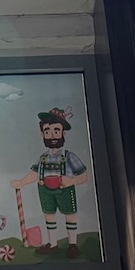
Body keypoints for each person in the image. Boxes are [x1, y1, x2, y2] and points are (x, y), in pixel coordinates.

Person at [11, 108, 88, 257]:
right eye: (47, 132)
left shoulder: (69, 156)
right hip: (45, 190)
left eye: (56, 131)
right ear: (42, 135)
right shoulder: (43, 158)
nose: (52, 135)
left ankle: (72, 245)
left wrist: (72, 181)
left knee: (70, 216)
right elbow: (34, 173)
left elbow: (83, 176)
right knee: (49, 216)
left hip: (65, 190)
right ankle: (52, 244)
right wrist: (21, 182)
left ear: (63, 133)